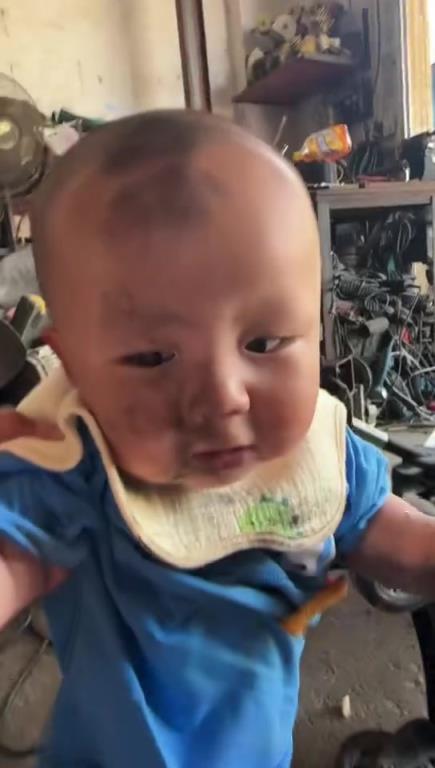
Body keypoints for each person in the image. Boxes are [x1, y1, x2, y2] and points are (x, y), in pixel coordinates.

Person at [0, 110, 432, 768]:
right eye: (152, 358)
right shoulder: (74, 469)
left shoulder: (316, 454)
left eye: (264, 342)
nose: (223, 395)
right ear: (74, 365)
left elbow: (386, 534)